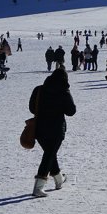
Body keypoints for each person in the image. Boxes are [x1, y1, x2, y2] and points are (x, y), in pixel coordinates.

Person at [30, 67, 76, 198]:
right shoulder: (63, 92)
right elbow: (71, 111)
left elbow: (32, 108)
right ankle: (38, 187)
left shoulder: (39, 89)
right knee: (49, 155)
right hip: (56, 130)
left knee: (50, 154)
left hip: (39, 129)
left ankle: (59, 179)